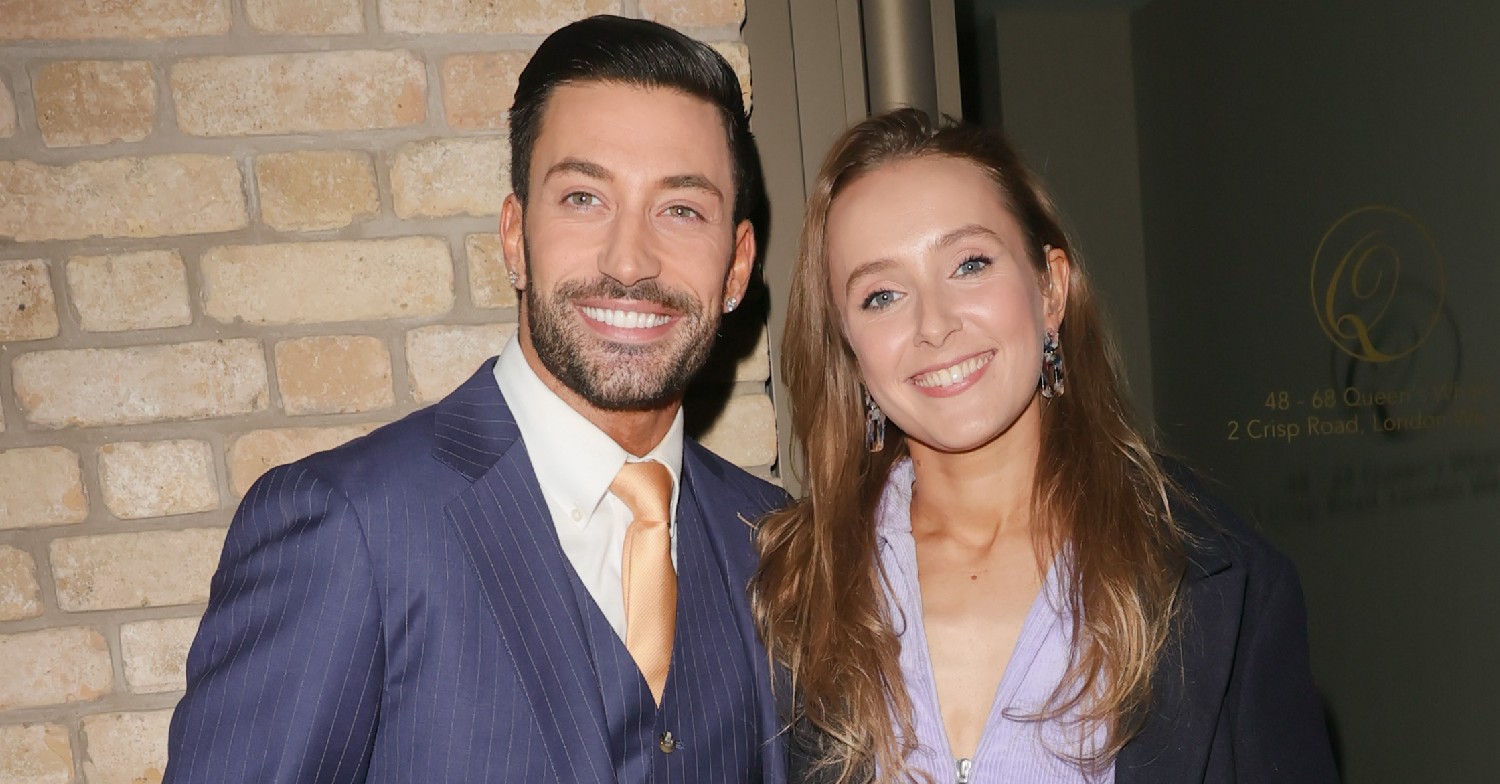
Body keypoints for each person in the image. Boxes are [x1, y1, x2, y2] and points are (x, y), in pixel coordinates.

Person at [166, 16, 788, 783]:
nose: (630, 260)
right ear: (515, 237)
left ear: (736, 266)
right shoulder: (346, 527)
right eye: (585, 198)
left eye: (682, 209)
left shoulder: (778, 543)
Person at [752, 109, 1338, 783]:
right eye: (881, 295)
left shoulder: (1214, 574)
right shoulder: (789, 591)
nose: (934, 325)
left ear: (1051, 288)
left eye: (969, 264)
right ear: (850, 353)